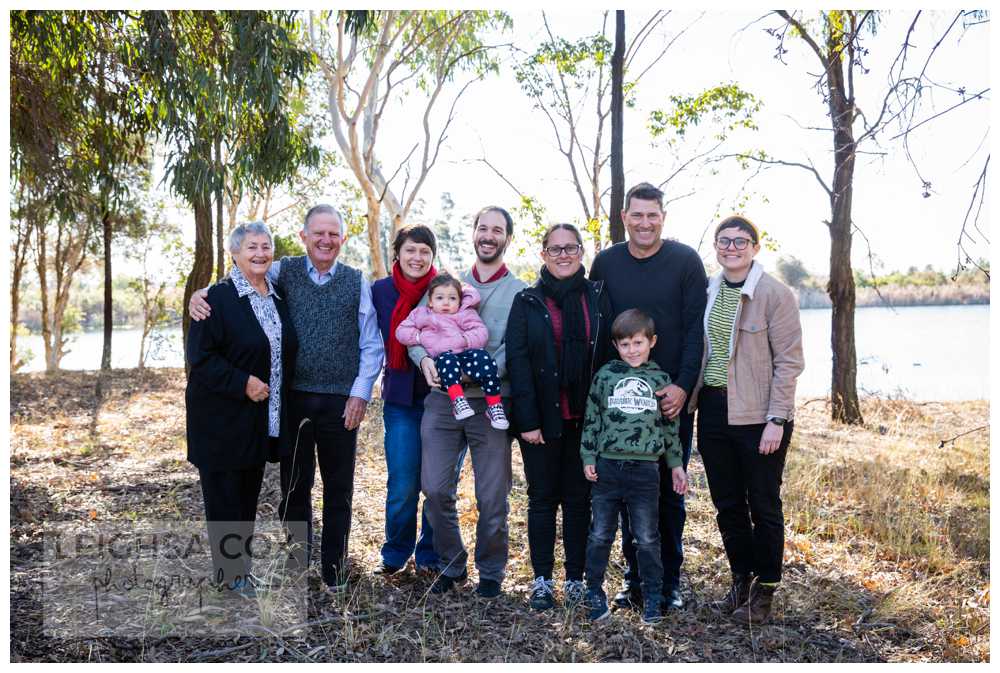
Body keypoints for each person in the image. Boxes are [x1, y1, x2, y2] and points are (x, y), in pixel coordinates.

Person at [189, 205, 383, 593]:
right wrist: (201, 292)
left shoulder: (347, 281)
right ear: (303, 237)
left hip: (339, 402)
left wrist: (360, 394)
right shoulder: (282, 272)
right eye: (318, 234)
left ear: (343, 239)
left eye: (333, 234)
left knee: (338, 488)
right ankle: (293, 567)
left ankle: (333, 569)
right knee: (294, 488)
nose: (325, 241)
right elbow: (238, 284)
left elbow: (371, 344)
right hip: (289, 402)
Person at [589, 182, 707, 613]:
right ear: (624, 217)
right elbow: (601, 333)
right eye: (636, 215)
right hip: (620, 406)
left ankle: (669, 582)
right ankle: (632, 580)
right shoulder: (605, 263)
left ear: (663, 216)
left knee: (667, 495)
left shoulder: (686, 262)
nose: (644, 222)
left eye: (651, 215)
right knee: (622, 493)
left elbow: (697, 330)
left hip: (669, 400)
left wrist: (681, 386)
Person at [687, 215, 804, 624]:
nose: (731, 247)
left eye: (740, 241)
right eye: (724, 241)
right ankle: (741, 578)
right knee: (728, 505)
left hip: (760, 415)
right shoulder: (711, 290)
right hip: (715, 410)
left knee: (764, 504)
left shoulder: (775, 294)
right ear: (716, 247)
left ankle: (765, 590)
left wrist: (777, 418)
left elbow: (789, 362)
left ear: (755, 246)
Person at [408, 206, 526, 599]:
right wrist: (423, 359)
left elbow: (518, 347)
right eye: (482, 228)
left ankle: (491, 570)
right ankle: (452, 563)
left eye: (497, 229)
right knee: (435, 488)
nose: (488, 235)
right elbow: (417, 329)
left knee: (492, 495)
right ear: (473, 233)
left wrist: (483, 371)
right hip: (443, 401)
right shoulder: (447, 284)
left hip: (491, 403)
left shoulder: (520, 291)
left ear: (508, 237)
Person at [185, 221, 299, 596]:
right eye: (251, 247)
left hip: (259, 420)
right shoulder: (215, 300)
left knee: (246, 496)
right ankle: (229, 576)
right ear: (234, 253)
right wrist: (242, 382)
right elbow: (200, 359)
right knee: (225, 499)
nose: (260, 253)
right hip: (220, 420)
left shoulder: (276, 295)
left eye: (266, 246)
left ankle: (240, 571)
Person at [505, 223, 612, 611]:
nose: (563, 255)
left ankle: (575, 580)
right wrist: (527, 421)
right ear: (543, 255)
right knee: (542, 499)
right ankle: (542, 580)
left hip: (586, 420)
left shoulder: (596, 298)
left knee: (580, 500)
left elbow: (609, 357)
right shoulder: (528, 300)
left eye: (570, 248)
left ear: (581, 252)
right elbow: (518, 362)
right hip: (541, 420)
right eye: (555, 249)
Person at [580, 309, 687, 625]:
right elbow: (592, 419)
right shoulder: (605, 376)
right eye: (625, 344)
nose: (632, 350)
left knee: (646, 537)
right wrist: (588, 457)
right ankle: (593, 594)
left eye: (638, 342)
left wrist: (677, 465)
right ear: (616, 345)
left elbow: (671, 429)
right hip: (607, 468)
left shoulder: (660, 380)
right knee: (600, 534)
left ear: (652, 342)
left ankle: (653, 598)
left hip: (645, 472)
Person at [370, 225, 445, 576]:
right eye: (411, 250)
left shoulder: (443, 290)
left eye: (425, 251)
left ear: (433, 256)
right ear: (397, 253)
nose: (418, 257)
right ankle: (396, 552)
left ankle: (430, 554)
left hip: (441, 400)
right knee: (402, 482)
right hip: (400, 399)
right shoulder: (380, 292)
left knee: (436, 484)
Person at [396, 274, 510, 429]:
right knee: (447, 360)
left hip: (463, 352)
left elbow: (481, 332)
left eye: (452, 298)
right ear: (430, 301)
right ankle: (458, 400)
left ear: (460, 301)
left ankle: (494, 405)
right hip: (442, 357)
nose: (446, 303)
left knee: (484, 359)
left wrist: (464, 340)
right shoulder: (422, 314)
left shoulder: (465, 313)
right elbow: (402, 330)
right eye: (440, 298)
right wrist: (419, 337)